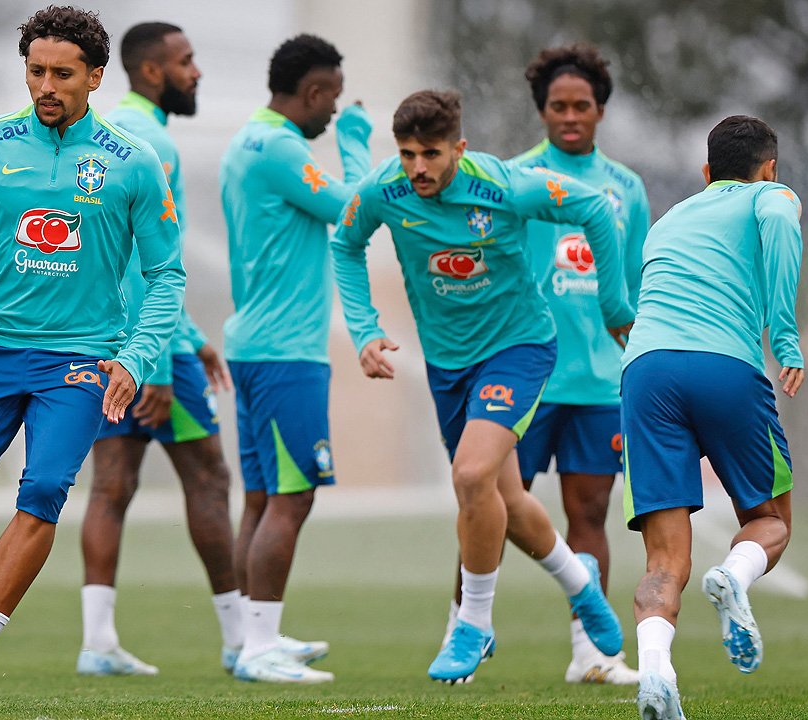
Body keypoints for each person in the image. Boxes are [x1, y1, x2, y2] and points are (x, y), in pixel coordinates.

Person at [0, 6, 184, 709]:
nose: (46, 87)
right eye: (36, 72)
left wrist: (136, 358)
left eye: (63, 74)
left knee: (43, 492)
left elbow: (166, 276)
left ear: (96, 77)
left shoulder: (132, 162)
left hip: (80, 360)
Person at [331, 89, 630, 684]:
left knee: (470, 477)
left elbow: (596, 209)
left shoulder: (506, 185)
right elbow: (345, 243)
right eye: (408, 154)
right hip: (448, 365)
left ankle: (473, 623)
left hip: (518, 348)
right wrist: (364, 329)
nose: (418, 168)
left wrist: (614, 304)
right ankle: (581, 582)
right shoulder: (383, 190)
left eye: (431, 154)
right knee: (505, 499)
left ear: (459, 149)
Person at [622, 115, 804, 720]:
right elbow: (781, 222)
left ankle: (655, 674)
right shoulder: (770, 196)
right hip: (722, 364)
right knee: (769, 520)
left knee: (663, 561)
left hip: (645, 370)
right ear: (769, 168)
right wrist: (785, 337)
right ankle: (733, 574)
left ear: (706, 172)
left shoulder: (670, 217)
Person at [75, 20, 239, 679]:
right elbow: (149, 268)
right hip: (148, 352)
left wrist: (193, 338)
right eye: (186, 61)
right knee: (210, 478)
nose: (196, 72)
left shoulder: (103, 135)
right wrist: (163, 362)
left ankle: (97, 643)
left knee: (111, 486)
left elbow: (117, 264)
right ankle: (244, 641)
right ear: (151, 71)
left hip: (103, 343)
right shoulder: (151, 144)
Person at [218, 33, 371, 684]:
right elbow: (354, 210)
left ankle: (251, 637)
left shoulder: (246, 141)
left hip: (255, 346)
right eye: (332, 98)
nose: (334, 111)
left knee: (261, 499)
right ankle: (260, 648)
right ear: (311, 91)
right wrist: (357, 141)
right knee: (293, 496)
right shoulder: (281, 147)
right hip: (286, 354)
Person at [504, 43, 650, 684]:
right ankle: (465, 632)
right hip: (525, 375)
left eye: (581, 106)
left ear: (600, 110)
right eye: (558, 106)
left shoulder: (627, 188)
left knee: (589, 515)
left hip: (599, 380)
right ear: (542, 111)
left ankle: (592, 653)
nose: (570, 116)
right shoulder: (512, 177)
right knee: (491, 509)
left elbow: (639, 283)